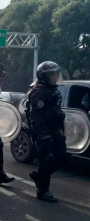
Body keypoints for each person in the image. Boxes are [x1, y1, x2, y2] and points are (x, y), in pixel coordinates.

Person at [28, 61, 68, 202]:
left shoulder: (54, 91)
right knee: (47, 160)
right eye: (52, 74)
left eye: (56, 74)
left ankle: (39, 176)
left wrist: (60, 130)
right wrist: (43, 134)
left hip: (55, 130)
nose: (55, 77)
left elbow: (57, 113)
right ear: (44, 76)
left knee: (62, 158)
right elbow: (37, 117)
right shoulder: (39, 92)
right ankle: (43, 191)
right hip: (43, 131)